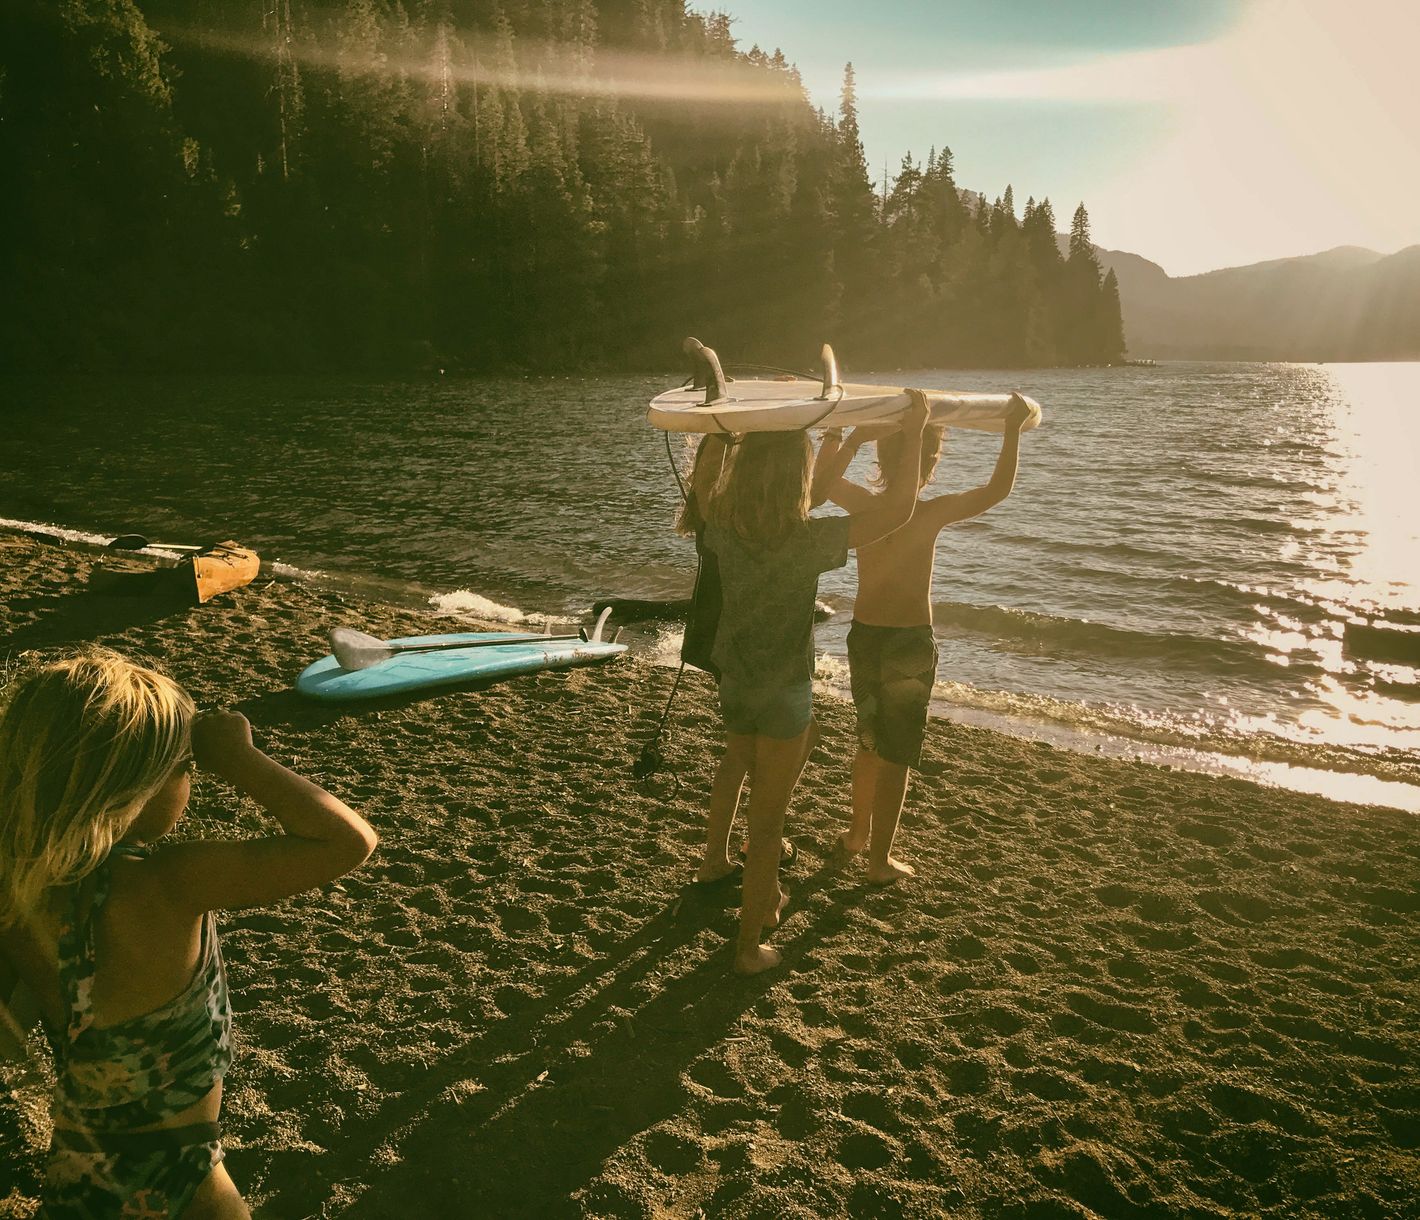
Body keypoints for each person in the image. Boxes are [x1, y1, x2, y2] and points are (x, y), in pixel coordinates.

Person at [0, 648, 377, 1219]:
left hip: (79, 1171)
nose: (192, 780)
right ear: (136, 785)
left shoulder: (17, 890)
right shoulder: (167, 883)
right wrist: (238, 758)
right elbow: (348, 841)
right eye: (188, 767)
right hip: (179, 1179)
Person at [703, 393, 930, 973]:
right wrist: (918, 426)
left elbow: (707, 480)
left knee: (761, 772)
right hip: (784, 689)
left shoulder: (721, 524)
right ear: (795, 478)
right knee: (769, 816)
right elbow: (902, 506)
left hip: (736, 684)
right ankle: (749, 945)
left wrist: (721, 427)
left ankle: (762, 897)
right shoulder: (805, 541)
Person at [817, 393, 1033, 883]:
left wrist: (836, 433)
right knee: (897, 755)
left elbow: (823, 484)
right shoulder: (930, 513)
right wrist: (1013, 429)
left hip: (865, 636)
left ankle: (855, 836)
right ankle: (878, 861)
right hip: (907, 643)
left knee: (870, 744)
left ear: (881, 458)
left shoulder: (865, 506)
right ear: (931, 462)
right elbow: (997, 489)